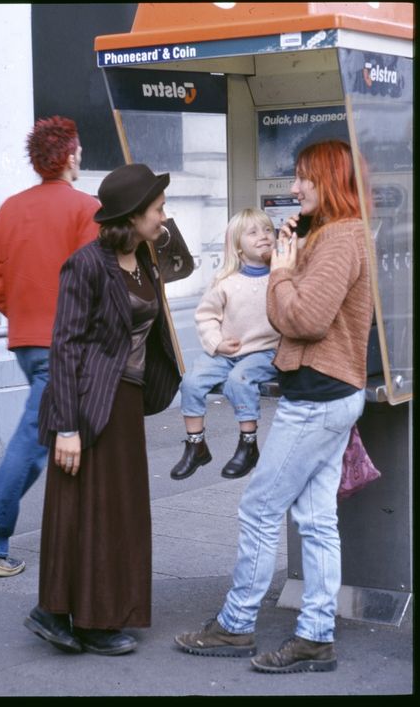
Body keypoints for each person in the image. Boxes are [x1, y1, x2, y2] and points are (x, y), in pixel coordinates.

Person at [174, 140, 373, 673]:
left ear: (328, 179)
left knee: (260, 509)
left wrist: (283, 270)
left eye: (303, 178)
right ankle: (315, 637)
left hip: (317, 397)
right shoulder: (329, 236)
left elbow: (304, 319)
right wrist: (293, 252)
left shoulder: (340, 239)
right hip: (329, 392)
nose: (293, 188)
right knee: (315, 519)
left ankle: (236, 625)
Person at [23, 163, 181, 656]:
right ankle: (84, 617)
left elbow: (184, 267)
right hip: (91, 401)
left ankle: (69, 610)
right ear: (132, 216)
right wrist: (66, 426)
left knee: (116, 510)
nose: (164, 216)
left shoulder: (147, 257)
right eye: (157, 209)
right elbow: (64, 348)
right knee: (91, 509)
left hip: (128, 398)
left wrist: (160, 231)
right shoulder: (87, 264)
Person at [0, 116, 100, 577]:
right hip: (65, 342)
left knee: (46, 435)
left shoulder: (8, 209)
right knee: (36, 441)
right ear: (71, 156)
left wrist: (23, 313)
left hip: (26, 341)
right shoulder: (86, 208)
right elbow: (92, 281)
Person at [170, 208, 279, 481]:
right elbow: (205, 316)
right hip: (226, 352)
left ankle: (248, 443)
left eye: (267, 230)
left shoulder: (281, 277)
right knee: (191, 381)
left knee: (238, 380)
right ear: (237, 247)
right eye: (253, 232)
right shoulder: (224, 281)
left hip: (264, 352)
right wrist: (217, 343)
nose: (263, 236)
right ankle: (196, 446)